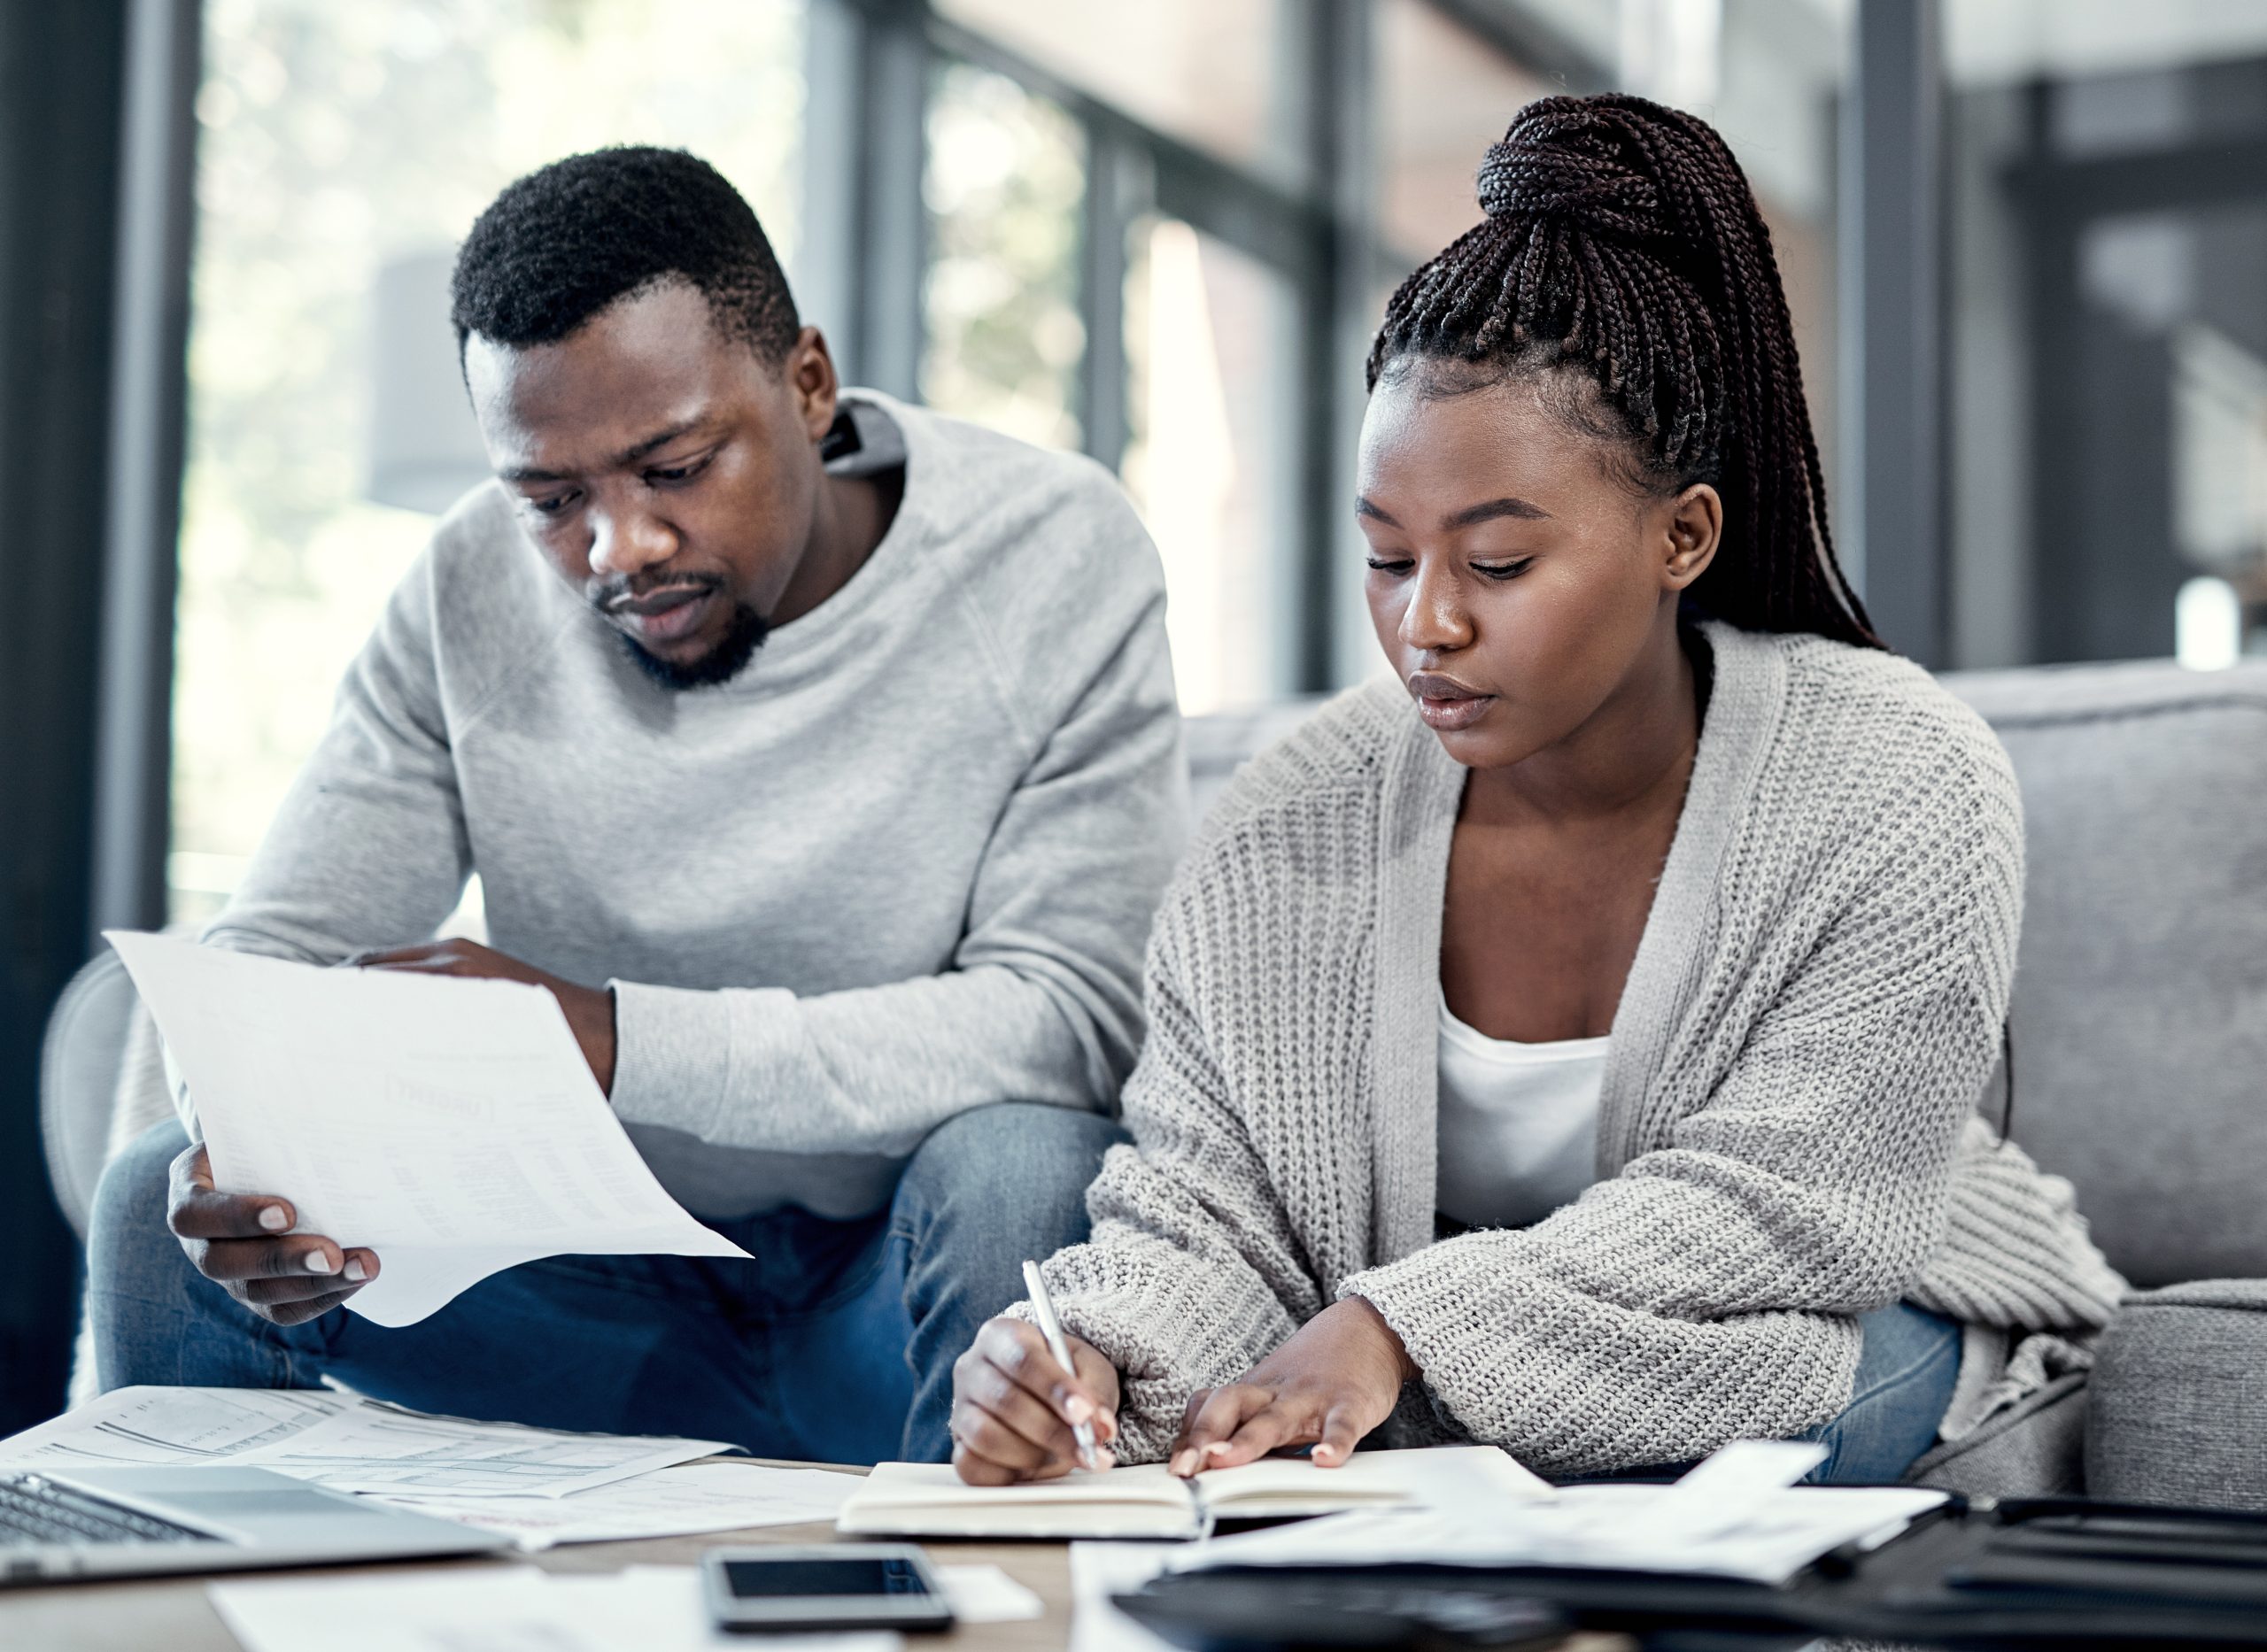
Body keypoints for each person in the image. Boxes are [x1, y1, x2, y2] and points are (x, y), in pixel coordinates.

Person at [948, 95, 2124, 1488]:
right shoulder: (1286, 825)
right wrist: (1099, 1349)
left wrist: (1396, 1326)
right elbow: (1206, 1204)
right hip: (1411, 1346)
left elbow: (1795, 1208)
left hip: (1827, 1307)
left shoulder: (1898, 778)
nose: (1426, 624)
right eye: (1388, 558)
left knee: (1793, 1387)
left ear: (1682, 534)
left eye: (1497, 565)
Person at [87, 146, 1185, 1466]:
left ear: (810, 385)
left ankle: (1004, 1597)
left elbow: (1069, 1021)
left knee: (1027, 1165)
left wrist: (608, 1039)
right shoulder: (467, 594)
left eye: (673, 467)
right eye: (552, 500)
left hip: (892, 1303)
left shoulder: (1052, 551)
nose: (617, 549)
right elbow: (268, 961)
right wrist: (253, 1156)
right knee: (158, 1202)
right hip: (575, 1289)